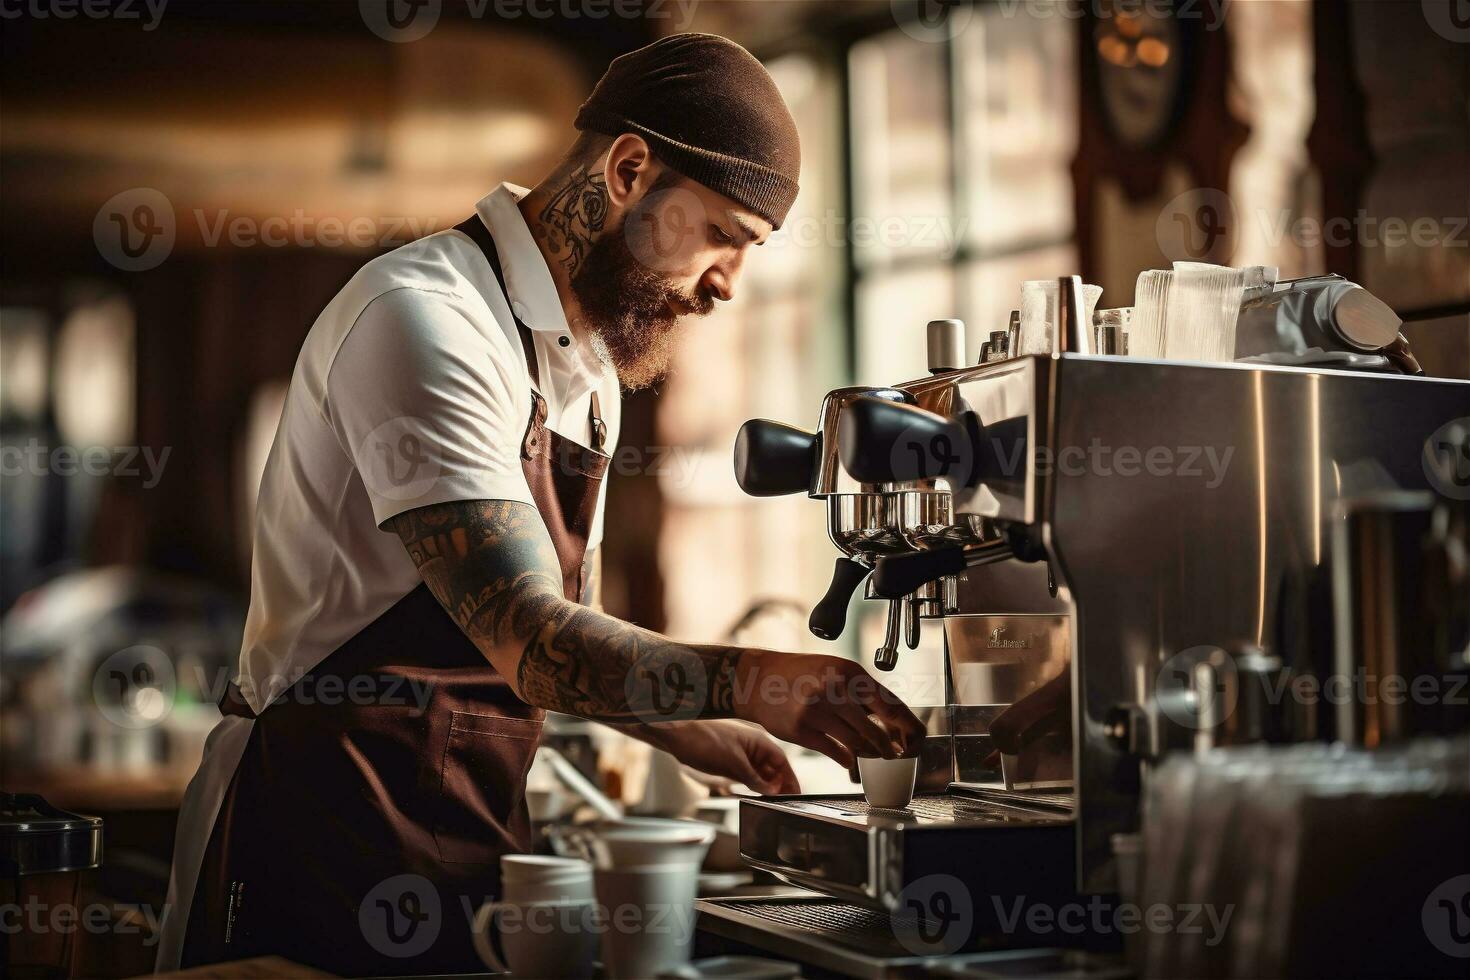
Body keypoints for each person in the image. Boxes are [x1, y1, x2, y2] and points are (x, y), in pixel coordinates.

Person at [156, 33, 925, 975]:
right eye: (725, 234)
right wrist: (756, 678)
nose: (729, 284)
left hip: (466, 846)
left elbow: (569, 631)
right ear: (630, 169)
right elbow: (527, 634)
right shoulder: (425, 319)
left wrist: (693, 728)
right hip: (311, 834)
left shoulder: (584, 370)